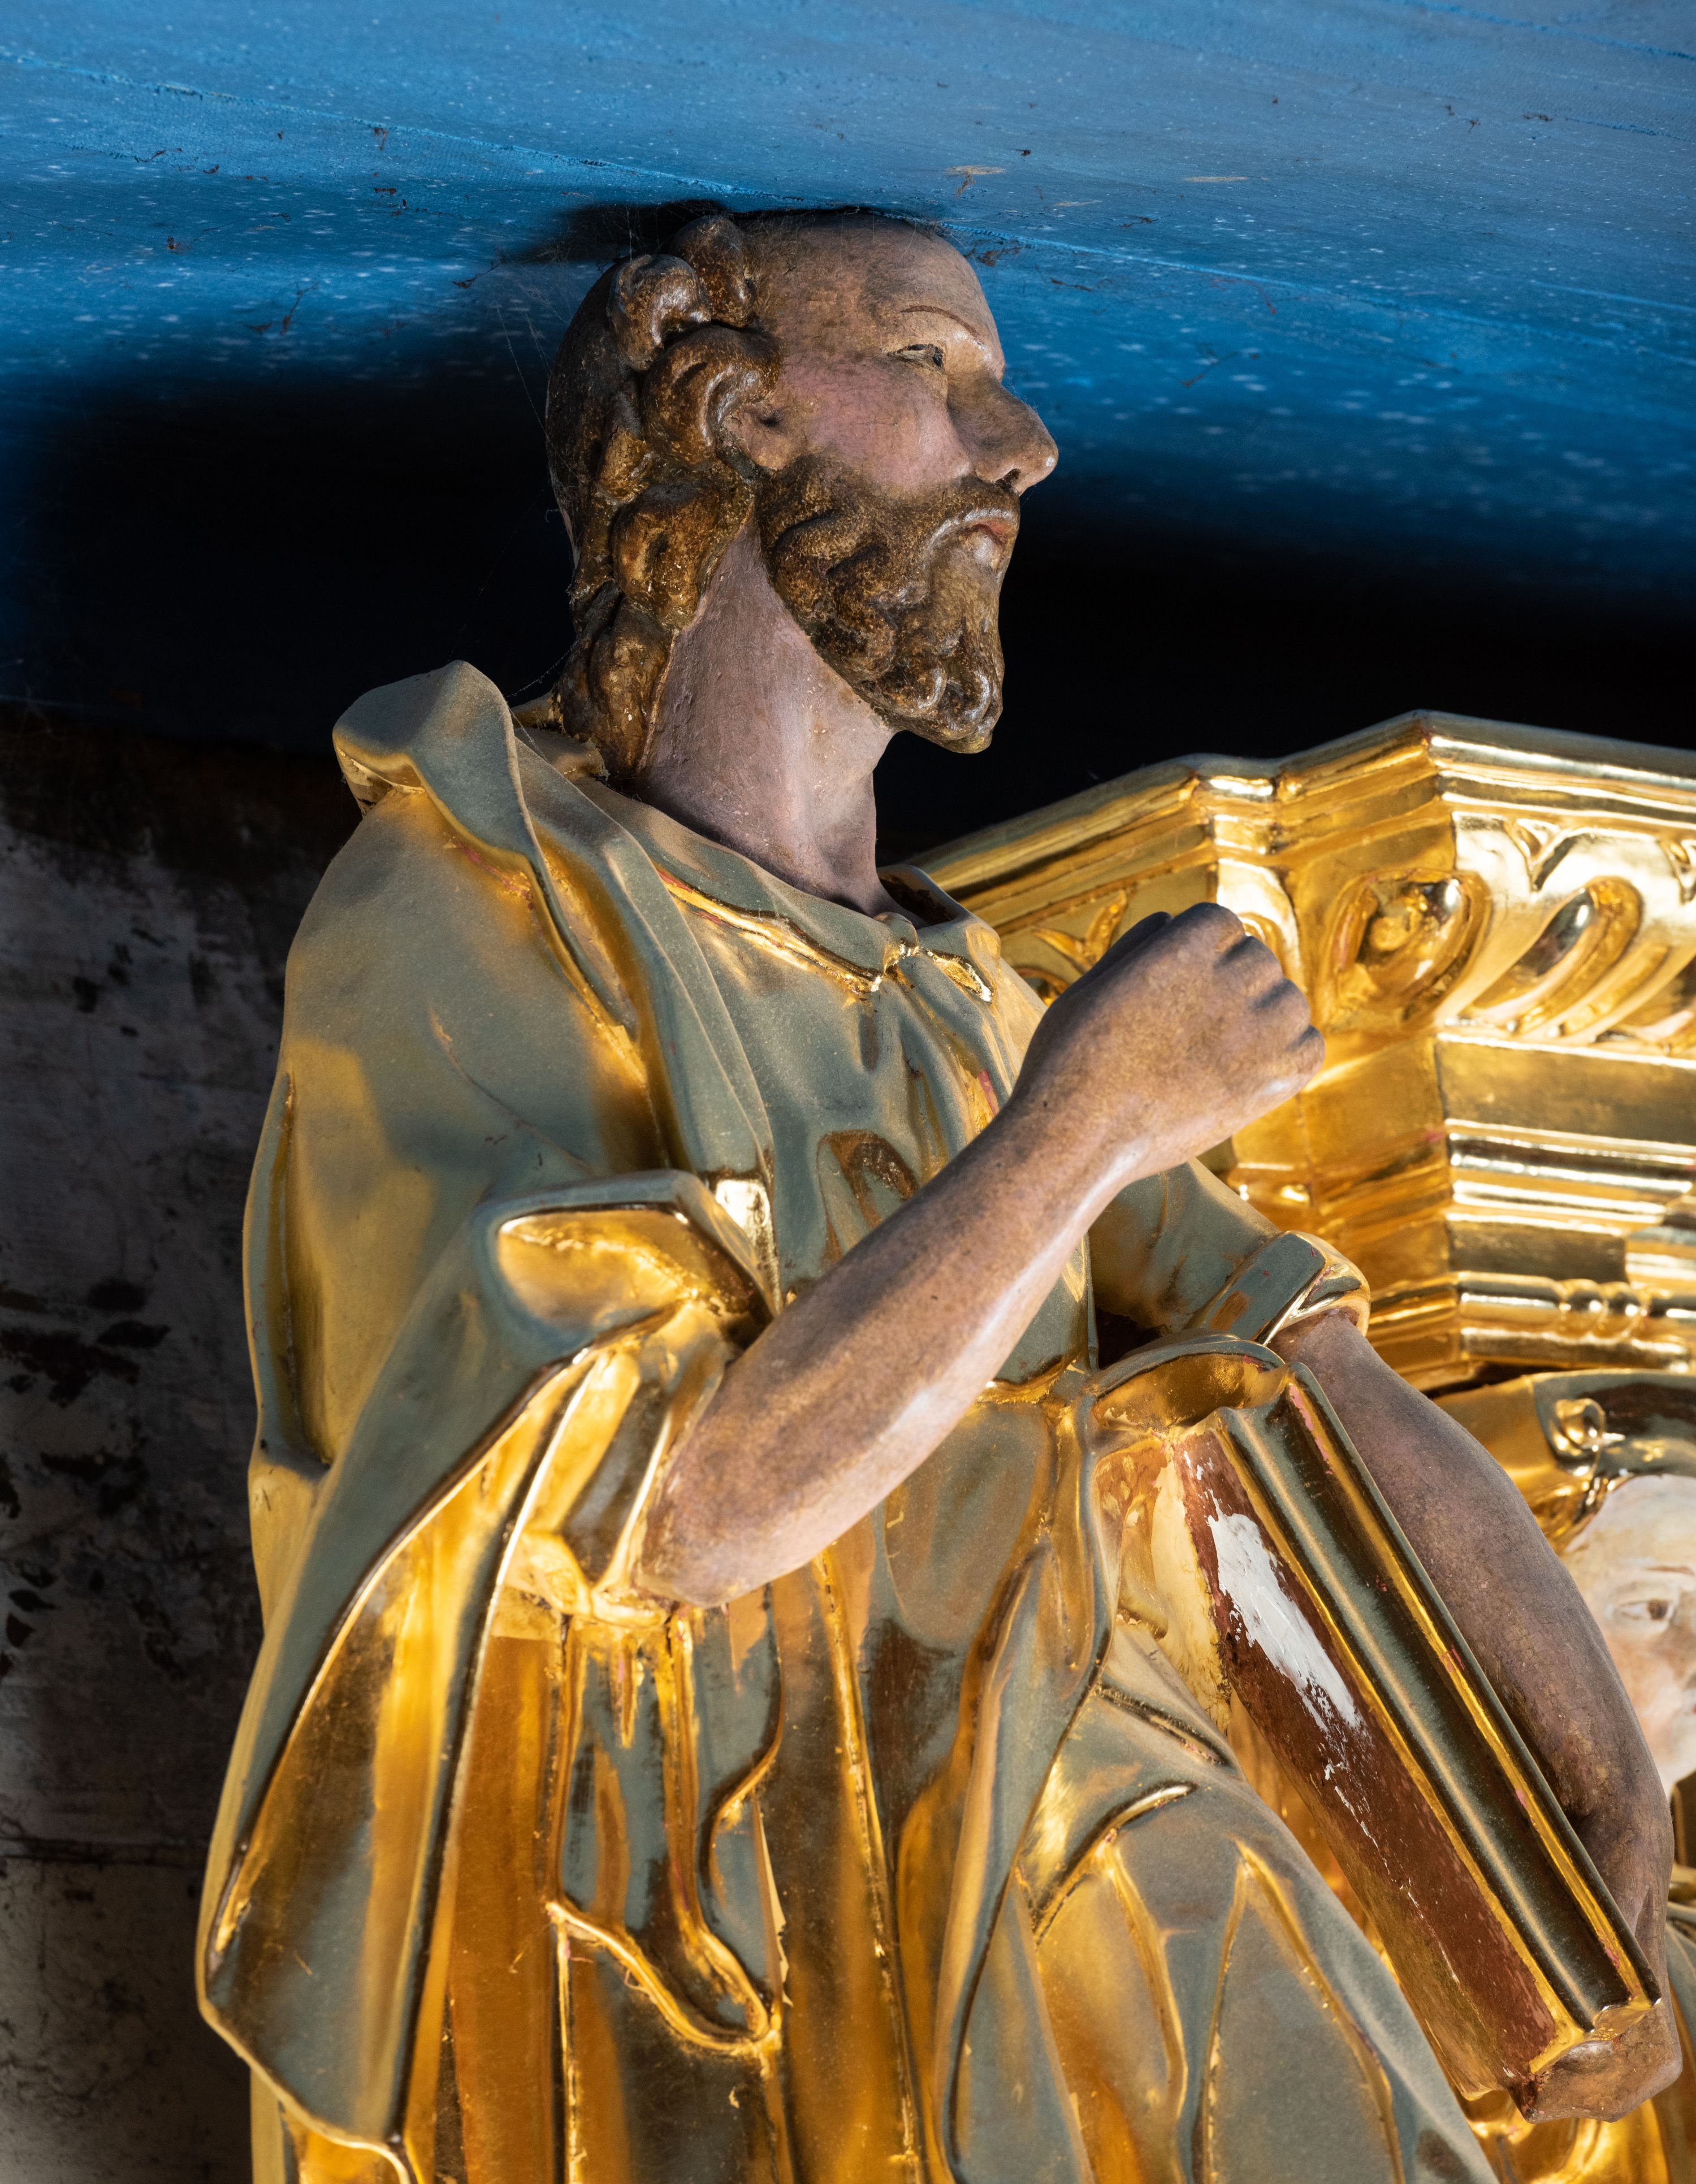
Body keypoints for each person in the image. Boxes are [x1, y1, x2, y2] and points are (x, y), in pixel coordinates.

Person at [198, 207, 1676, 2184]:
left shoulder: (969, 1000)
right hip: (736, 1983)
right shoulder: (483, 903)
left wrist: (1607, 1792)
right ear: (734, 419)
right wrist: (1081, 1128)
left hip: (1082, 1885)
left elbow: (1307, 1369)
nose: (1022, 445)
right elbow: (673, 1509)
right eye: (930, 366)